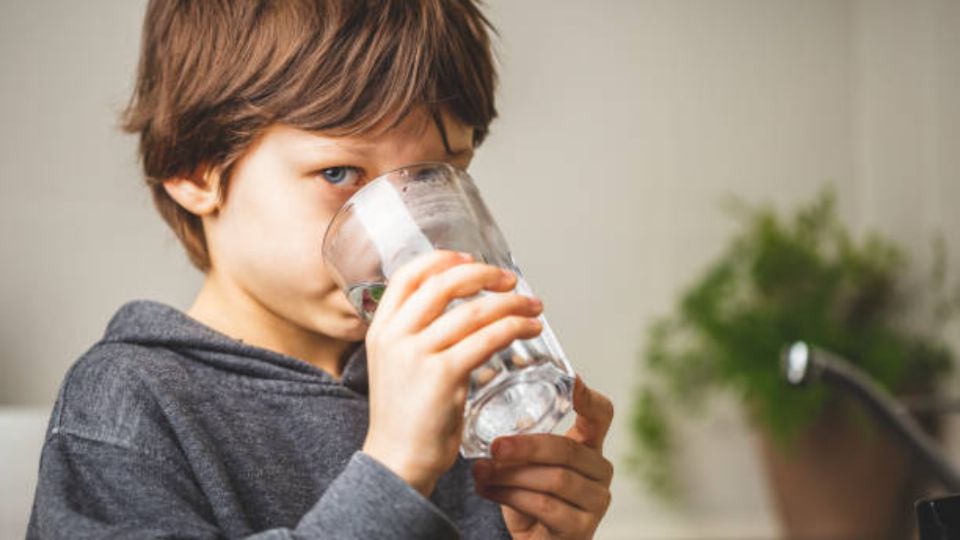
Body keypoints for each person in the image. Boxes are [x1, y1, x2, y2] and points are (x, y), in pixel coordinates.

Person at [28, 1, 614, 538]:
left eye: (434, 178)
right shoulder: (129, 401)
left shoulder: (452, 387)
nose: (406, 244)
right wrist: (392, 471)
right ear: (194, 168)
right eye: (339, 174)